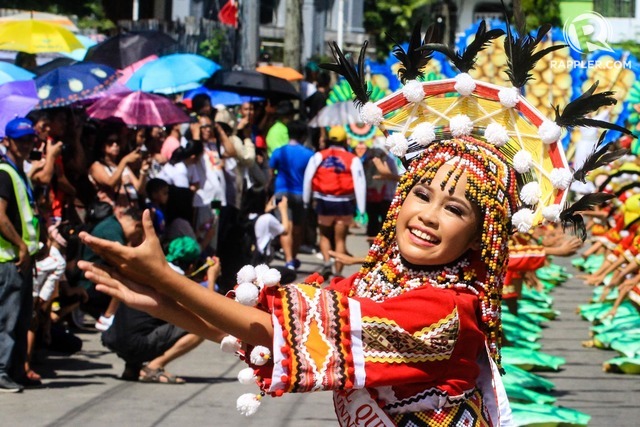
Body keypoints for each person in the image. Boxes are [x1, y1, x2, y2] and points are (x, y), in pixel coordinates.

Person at [74, 20, 624, 426]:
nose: (428, 216)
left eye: (455, 210)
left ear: (482, 234)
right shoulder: (376, 286)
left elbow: (273, 333)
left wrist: (168, 282)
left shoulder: (445, 311)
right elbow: (258, 332)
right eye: (422, 194)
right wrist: (160, 300)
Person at [0, 118, 41, 392]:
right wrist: (22, 246)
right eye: (21, 140)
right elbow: (0, 217)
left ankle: (15, 370)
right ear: (7, 142)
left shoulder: (20, 171)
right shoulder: (4, 172)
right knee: (7, 319)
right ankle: (2, 371)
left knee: (22, 318)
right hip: (9, 259)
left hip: (23, 260)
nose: (26, 144)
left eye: (30, 139)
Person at [303, 126, 366, 278]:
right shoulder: (353, 159)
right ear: (345, 140)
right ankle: (337, 272)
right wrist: (362, 208)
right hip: (344, 203)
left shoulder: (319, 156)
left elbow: (308, 178)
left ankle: (326, 262)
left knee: (324, 235)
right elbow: (360, 182)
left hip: (324, 201)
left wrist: (306, 200)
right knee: (340, 239)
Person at [268, 120, 314, 269]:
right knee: (298, 228)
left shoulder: (279, 151)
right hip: (301, 194)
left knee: (285, 226)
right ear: (302, 136)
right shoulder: (309, 154)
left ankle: (288, 260)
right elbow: (312, 177)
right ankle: (293, 257)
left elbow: (270, 173)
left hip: (281, 192)